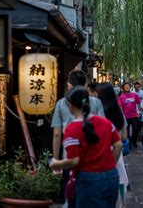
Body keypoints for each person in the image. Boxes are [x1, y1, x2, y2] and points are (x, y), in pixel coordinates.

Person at [50, 87, 122, 208]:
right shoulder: (105, 122)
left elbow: (74, 160)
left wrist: (55, 163)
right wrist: (110, 165)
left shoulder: (72, 129)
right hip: (111, 176)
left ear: (70, 105)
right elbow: (118, 145)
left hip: (88, 178)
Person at [51, 70, 105, 205]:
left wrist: (56, 159)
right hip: (95, 155)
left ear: (69, 85)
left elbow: (57, 133)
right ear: (86, 84)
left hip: (69, 155)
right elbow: (103, 129)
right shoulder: (96, 102)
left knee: (72, 194)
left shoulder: (61, 103)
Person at [96, 83, 129, 207]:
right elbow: (124, 137)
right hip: (117, 153)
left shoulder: (98, 113)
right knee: (116, 189)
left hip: (100, 153)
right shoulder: (119, 112)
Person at [118, 82, 141, 148]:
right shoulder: (121, 97)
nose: (127, 87)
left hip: (134, 116)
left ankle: (134, 141)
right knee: (126, 131)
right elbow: (120, 107)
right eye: (125, 86)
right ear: (123, 88)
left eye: (128, 86)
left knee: (136, 129)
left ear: (130, 87)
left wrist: (139, 112)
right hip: (126, 117)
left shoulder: (134, 95)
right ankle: (129, 143)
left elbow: (139, 103)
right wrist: (122, 114)